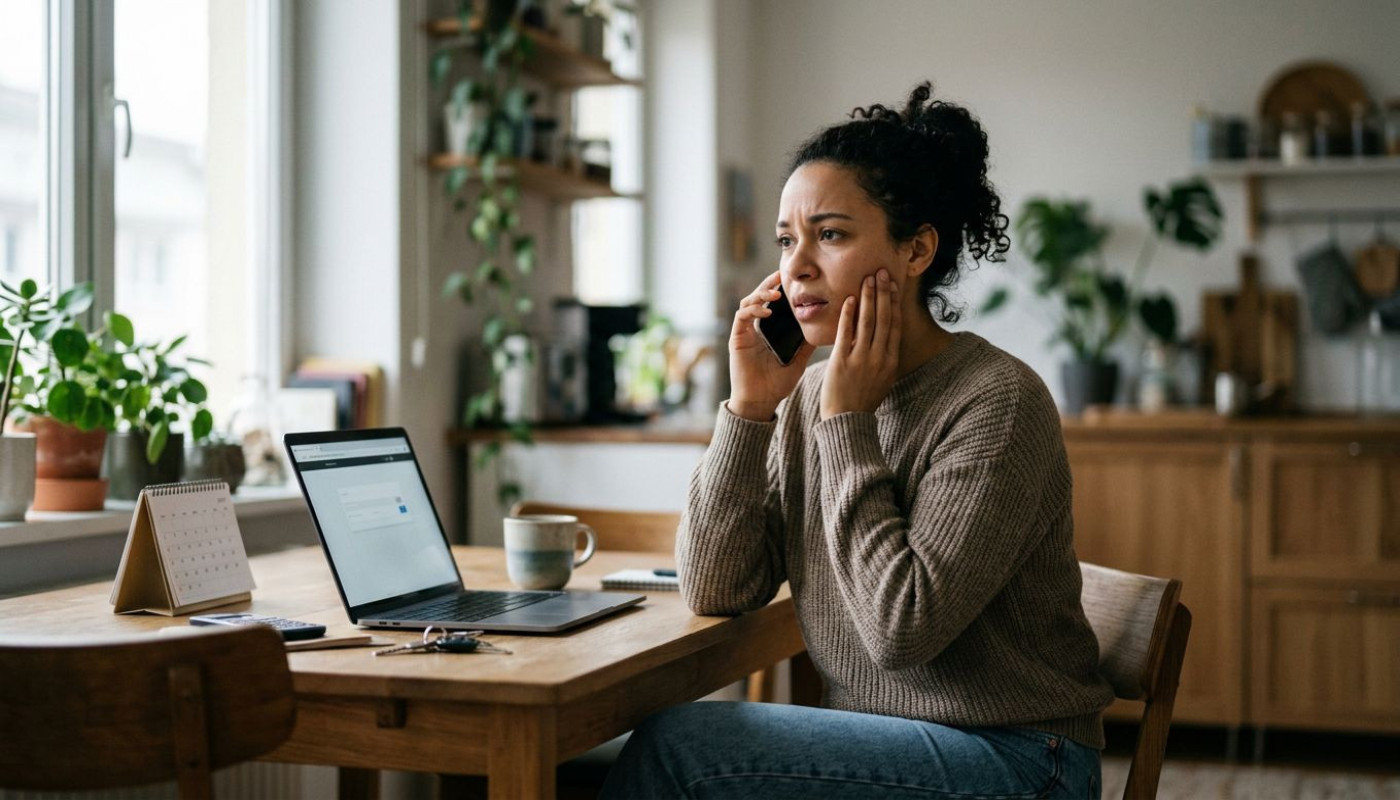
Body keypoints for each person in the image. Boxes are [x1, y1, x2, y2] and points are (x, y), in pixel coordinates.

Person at [599, 81, 1114, 799]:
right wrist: (748, 412)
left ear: (916, 250)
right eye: (787, 241)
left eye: (830, 235)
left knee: (680, 748)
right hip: (888, 748)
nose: (796, 267)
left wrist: (848, 424)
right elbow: (716, 588)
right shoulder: (809, 394)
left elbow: (902, 633)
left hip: (1021, 759)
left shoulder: (998, 400)